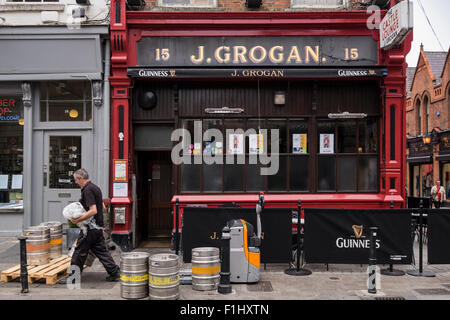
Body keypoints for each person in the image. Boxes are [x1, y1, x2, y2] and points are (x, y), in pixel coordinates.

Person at [62, 168, 120, 283]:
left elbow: (93, 210)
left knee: (78, 253)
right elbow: (102, 207)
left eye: (76, 180)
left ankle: (73, 278)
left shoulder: (87, 190)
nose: (76, 182)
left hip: (89, 228)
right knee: (101, 251)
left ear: (80, 178)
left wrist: (77, 219)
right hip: (98, 227)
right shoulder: (95, 187)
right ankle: (114, 272)